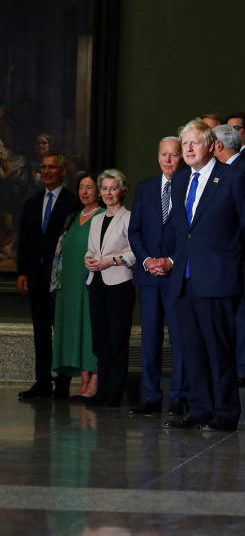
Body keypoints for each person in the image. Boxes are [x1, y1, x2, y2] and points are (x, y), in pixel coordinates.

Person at [162, 119, 245, 431]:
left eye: (194, 143)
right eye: (184, 144)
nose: (188, 149)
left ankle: (226, 412)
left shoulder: (233, 177)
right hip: (185, 278)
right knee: (192, 348)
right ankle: (199, 408)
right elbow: (181, 232)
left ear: (211, 145)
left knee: (219, 349)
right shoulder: (179, 181)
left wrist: (227, 257)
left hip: (218, 276)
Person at [127, 137, 188, 415]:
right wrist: (148, 260)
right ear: (158, 156)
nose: (168, 160)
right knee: (150, 338)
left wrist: (172, 261)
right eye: (164, 154)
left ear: (181, 158)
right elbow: (134, 231)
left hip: (176, 276)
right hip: (149, 275)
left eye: (174, 155)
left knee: (179, 337)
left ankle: (179, 396)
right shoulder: (145, 188)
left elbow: (191, 234)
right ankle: (150, 395)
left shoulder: (190, 185)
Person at [17, 152, 79, 399]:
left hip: (61, 278)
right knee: (40, 331)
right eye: (43, 167)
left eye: (52, 167)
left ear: (63, 171)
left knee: (61, 330)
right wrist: (22, 272)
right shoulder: (31, 203)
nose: (47, 171)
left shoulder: (73, 202)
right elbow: (24, 240)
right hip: (35, 277)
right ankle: (42, 381)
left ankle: (62, 383)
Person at [213, 124, 245, 386]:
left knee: (243, 313)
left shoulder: (241, 169)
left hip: (239, 258)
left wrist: (234, 247)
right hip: (228, 258)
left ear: (219, 146)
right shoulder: (231, 169)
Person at [83, 169, 136, 408]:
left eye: (112, 188)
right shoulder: (96, 219)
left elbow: (136, 252)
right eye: (104, 188)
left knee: (117, 339)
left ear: (122, 191)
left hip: (119, 284)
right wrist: (89, 259)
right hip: (96, 283)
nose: (107, 193)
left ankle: (114, 393)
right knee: (101, 340)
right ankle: (102, 391)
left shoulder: (129, 218)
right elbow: (92, 249)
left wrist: (112, 261)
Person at [50, 172, 103, 402]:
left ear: (99, 191)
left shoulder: (102, 215)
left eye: (90, 187)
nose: (84, 192)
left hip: (90, 282)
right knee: (76, 329)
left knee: (90, 329)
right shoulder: (72, 216)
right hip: (69, 284)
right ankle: (82, 383)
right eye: (81, 187)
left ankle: (94, 382)